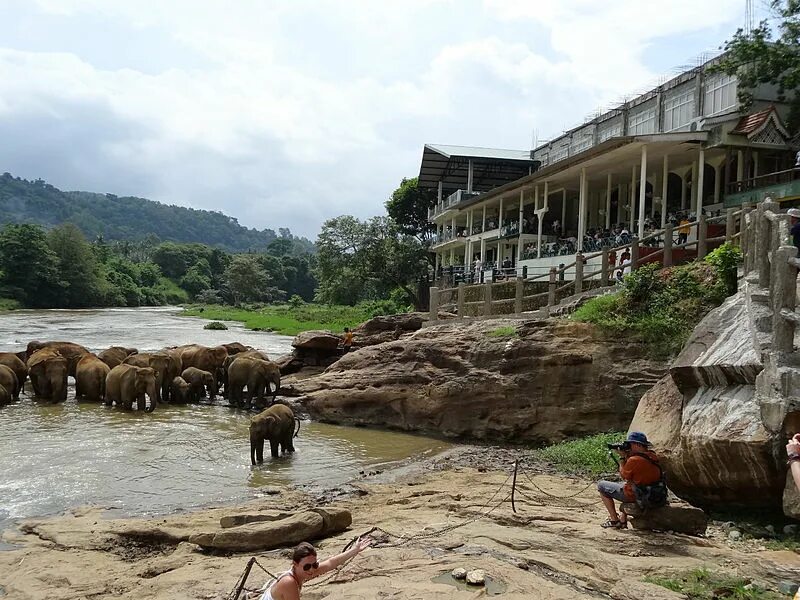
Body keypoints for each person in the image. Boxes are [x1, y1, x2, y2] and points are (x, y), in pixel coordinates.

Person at [260, 538, 372, 600]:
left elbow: (331, 563)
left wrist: (355, 550)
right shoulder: (289, 582)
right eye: (307, 566)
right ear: (295, 564)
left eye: (315, 565)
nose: (312, 570)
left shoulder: (303, 572)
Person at [597, 431, 665, 529]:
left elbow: (624, 475)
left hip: (637, 494)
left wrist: (621, 458)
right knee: (627, 484)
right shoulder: (652, 455)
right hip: (652, 491)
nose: (628, 447)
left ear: (636, 444)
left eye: (630, 444)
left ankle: (614, 520)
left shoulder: (635, 460)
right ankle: (623, 519)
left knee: (601, 485)